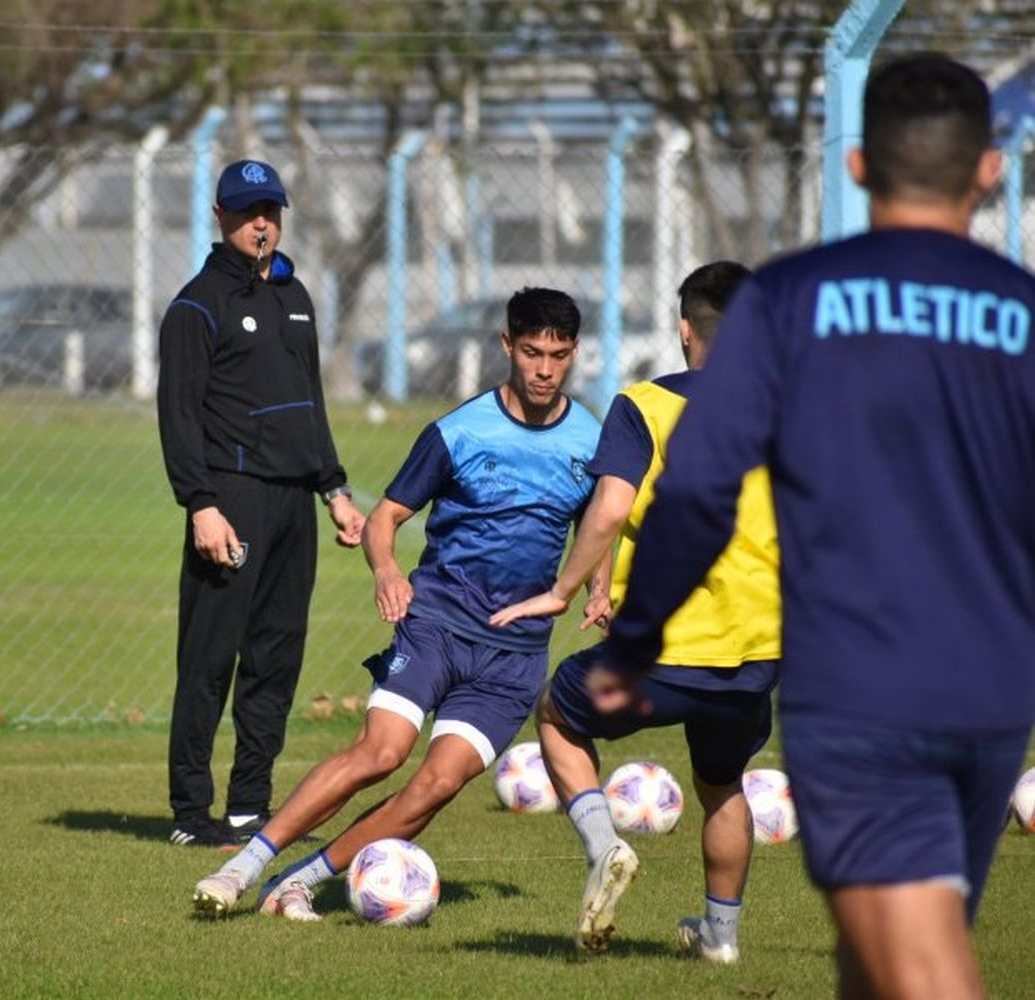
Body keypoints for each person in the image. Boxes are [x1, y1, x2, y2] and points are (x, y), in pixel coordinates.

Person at [592, 55, 1034, 998]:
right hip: (996, 684)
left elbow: (700, 493)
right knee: (882, 949)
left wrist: (633, 642)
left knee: (916, 959)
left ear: (862, 165)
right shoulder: (1024, 316)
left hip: (866, 683)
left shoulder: (791, 302)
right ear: (989, 170)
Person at [191, 287, 603, 919]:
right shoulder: (459, 431)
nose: (544, 369)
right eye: (531, 352)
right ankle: (240, 868)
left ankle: (301, 881)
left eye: (558, 355)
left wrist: (599, 587)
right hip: (438, 619)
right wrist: (386, 570)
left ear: (573, 353)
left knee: (436, 784)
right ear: (506, 347)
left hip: (515, 654)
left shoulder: (589, 439)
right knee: (381, 753)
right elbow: (384, 518)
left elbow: (600, 526)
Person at [491, 261, 777, 962]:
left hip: (667, 649)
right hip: (759, 652)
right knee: (721, 785)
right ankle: (722, 941)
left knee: (556, 713)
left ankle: (604, 846)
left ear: (685, 329)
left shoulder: (644, 405)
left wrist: (565, 588)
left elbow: (613, 507)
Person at [157, 159, 366, 849]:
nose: (262, 224)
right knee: (210, 661)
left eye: (271, 211)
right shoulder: (196, 305)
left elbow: (310, 401)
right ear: (219, 218)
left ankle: (250, 805)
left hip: (293, 508)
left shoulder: (296, 295)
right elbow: (178, 414)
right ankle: (192, 814)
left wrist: (332, 488)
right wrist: (201, 504)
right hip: (232, 501)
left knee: (276, 659)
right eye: (248, 212)